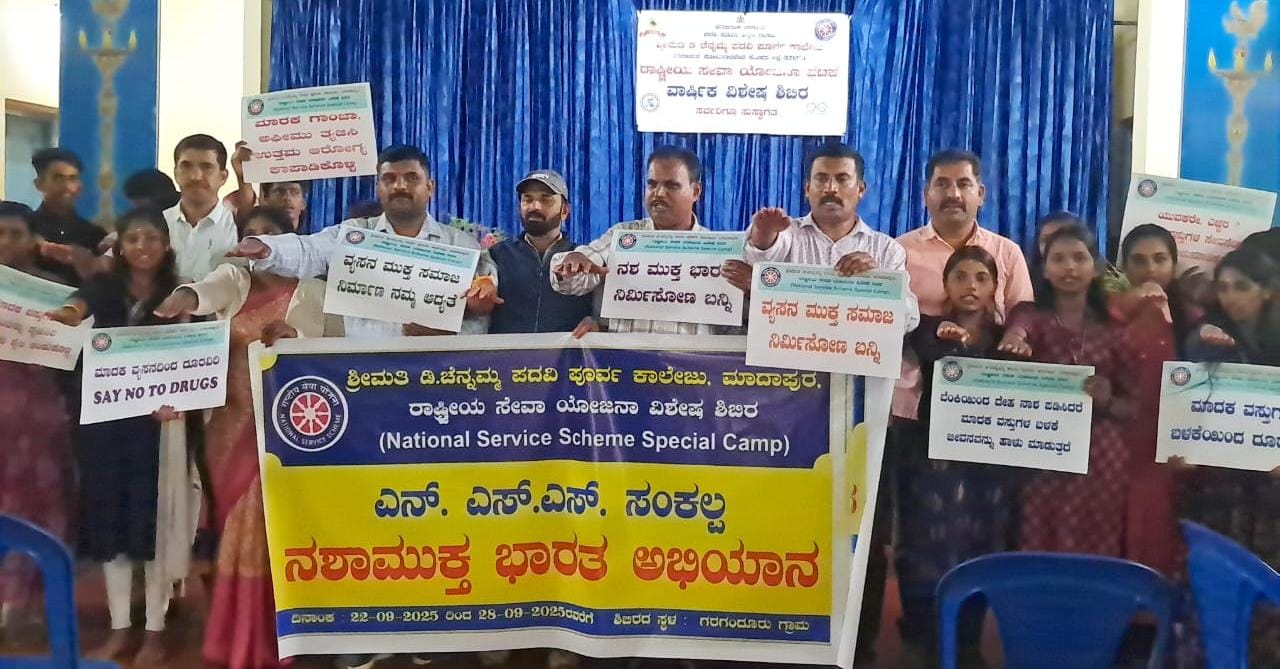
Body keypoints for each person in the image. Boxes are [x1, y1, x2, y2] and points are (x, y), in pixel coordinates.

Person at [153, 206, 325, 669]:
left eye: (269, 235)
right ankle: (235, 636)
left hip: (287, 434)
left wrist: (296, 338)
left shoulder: (315, 292)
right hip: (227, 430)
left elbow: (335, 354)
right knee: (226, 528)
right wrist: (183, 297)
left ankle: (274, 637)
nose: (257, 245)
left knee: (268, 531)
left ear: (289, 243)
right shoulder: (234, 279)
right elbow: (203, 293)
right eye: (251, 235)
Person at [47, 207, 199, 667]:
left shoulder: (181, 293)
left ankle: (154, 632)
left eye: (151, 238)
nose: (142, 247)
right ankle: (118, 629)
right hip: (106, 427)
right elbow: (80, 302)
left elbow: (197, 356)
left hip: (159, 427)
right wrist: (69, 313)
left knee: (153, 528)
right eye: (133, 238)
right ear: (121, 245)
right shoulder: (105, 287)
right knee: (111, 526)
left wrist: (180, 400)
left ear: (166, 245)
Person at [228, 144, 498, 340]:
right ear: (378, 188)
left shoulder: (461, 245)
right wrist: (267, 248)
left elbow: (483, 315)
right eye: (389, 179)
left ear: (430, 187)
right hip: (365, 374)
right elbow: (309, 250)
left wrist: (448, 333)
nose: (399, 186)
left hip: (440, 373)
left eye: (411, 178)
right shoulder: (355, 235)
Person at [895, 246, 1016, 666]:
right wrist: (944, 338)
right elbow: (923, 349)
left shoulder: (1007, 339)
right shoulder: (927, 328)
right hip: (932, 460)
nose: (971, 286)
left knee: (980, 546)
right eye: (961, 276)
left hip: (988, 467)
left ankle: (967, 641)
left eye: (981, 278)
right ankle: (924, 637)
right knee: (925, 546)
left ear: (995, 286)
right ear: (945, 285)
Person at [998, 223, 1134, 557]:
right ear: (1044, 269)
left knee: (1096, 545)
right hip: (1044, 452)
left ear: (1096, 267)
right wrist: (1015, 341)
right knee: (1039, 539)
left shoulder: (1116, 328)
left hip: (1102, 458)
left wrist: (1109, 400)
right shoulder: (1031, 316)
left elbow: (1138, 407)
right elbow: (1018, 332)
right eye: (1058, 259)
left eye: (1079, 257)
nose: (1069, 267)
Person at [1180, 246, 1280, 667]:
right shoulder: (1205, 338)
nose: (1231, 297)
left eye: (1242, 287)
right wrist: (1181, 447)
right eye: (1223, 287)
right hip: (1220, 492)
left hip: (1272, 498)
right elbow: (1186, 408)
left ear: (1268, 290)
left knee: (1269, 591)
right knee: (1219, 591)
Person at [550, 146, 738, 335]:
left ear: (696, 191)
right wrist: (574, 263)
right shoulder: (624, 235)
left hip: (690, 355)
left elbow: (732, 325)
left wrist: (750, 287)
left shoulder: (718, 251)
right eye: (652, 184)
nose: (659, 193)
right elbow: (574, 280)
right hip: (627, 355)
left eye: (671, 185)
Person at [740, 141, 921, 326]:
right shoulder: (786, 233)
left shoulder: (886, 249)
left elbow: (910, 319)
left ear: (860, 190)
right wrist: (764, 234)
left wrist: (879, 282)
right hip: (789, 342)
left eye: (842, 179)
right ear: (807, 189)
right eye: (821, 179)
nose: (831, 188)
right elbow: (758, 259)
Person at [0, 202, 74, 644]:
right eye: (0, 234)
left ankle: (23, 605)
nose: (7, 243)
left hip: (40, 415)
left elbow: (70, 355)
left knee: (41, 506)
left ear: (32, 240)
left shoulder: (56, 292)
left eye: (16, 234)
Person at [1108, 224, 1199, 575]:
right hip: (1118, 445)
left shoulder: (1194, 318)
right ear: (1124, 267)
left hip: (1173, 450)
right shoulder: (1109, 313)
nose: (1150, 269)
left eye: (1160, 259)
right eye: (1139, 260)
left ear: (1174, 264)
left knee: (1163, 534)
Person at [488, 170, 593, 335]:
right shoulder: (497, 255)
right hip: (505, 351)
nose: (535, 206)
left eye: (546, 199)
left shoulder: (584, 259)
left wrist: (595, 322)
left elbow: (599, 313)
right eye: (527, 199)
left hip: (567, 352)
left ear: (565, 211)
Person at [165, 134, 239, 281]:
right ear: (175, 173)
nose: (196, 176)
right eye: (186, 166)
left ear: (223, 177)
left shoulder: (237, 225)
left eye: (207, 167)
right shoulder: (158, 224)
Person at [29, 148, 107, 286]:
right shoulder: (26, 229)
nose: (67, 186)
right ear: (39, 184)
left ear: (80, 186)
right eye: (58, 178)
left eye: (72, 178)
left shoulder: (95, 235)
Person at [227, 141, 309, 231]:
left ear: (303, 203)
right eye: (279, 192)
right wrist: (243, 177)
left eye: (295, 192)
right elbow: (247, 209)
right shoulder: (256, 237)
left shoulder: (314, 239)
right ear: (265, 200)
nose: (287, 198)